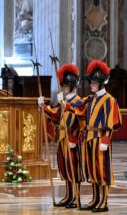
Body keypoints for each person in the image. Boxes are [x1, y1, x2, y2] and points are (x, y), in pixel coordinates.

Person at [66, 60, 122, 212]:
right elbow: (79, 108)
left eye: (93, 83)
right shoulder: (91, 99)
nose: (90, 85)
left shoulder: (109, 100)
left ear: (100, 84)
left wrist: (105, 140)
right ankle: (95, 199)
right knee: (92, 170)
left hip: (100, 138)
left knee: (102, 170)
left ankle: (103, 202)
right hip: (89, 138)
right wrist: (66, 102)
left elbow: (111, 122)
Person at [37, 63, 83, 208]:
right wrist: (43, 107)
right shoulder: (64, 100)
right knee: (65, 167)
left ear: (72, 86)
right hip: (62, 138)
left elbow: (79, 122)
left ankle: (76, 197)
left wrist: (74, 138)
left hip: (72, 139)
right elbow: (56, 115)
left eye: (65, 86)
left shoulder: (78, 101)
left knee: (74, 168)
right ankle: (68, 195)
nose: (63, 88)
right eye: (63, 85)